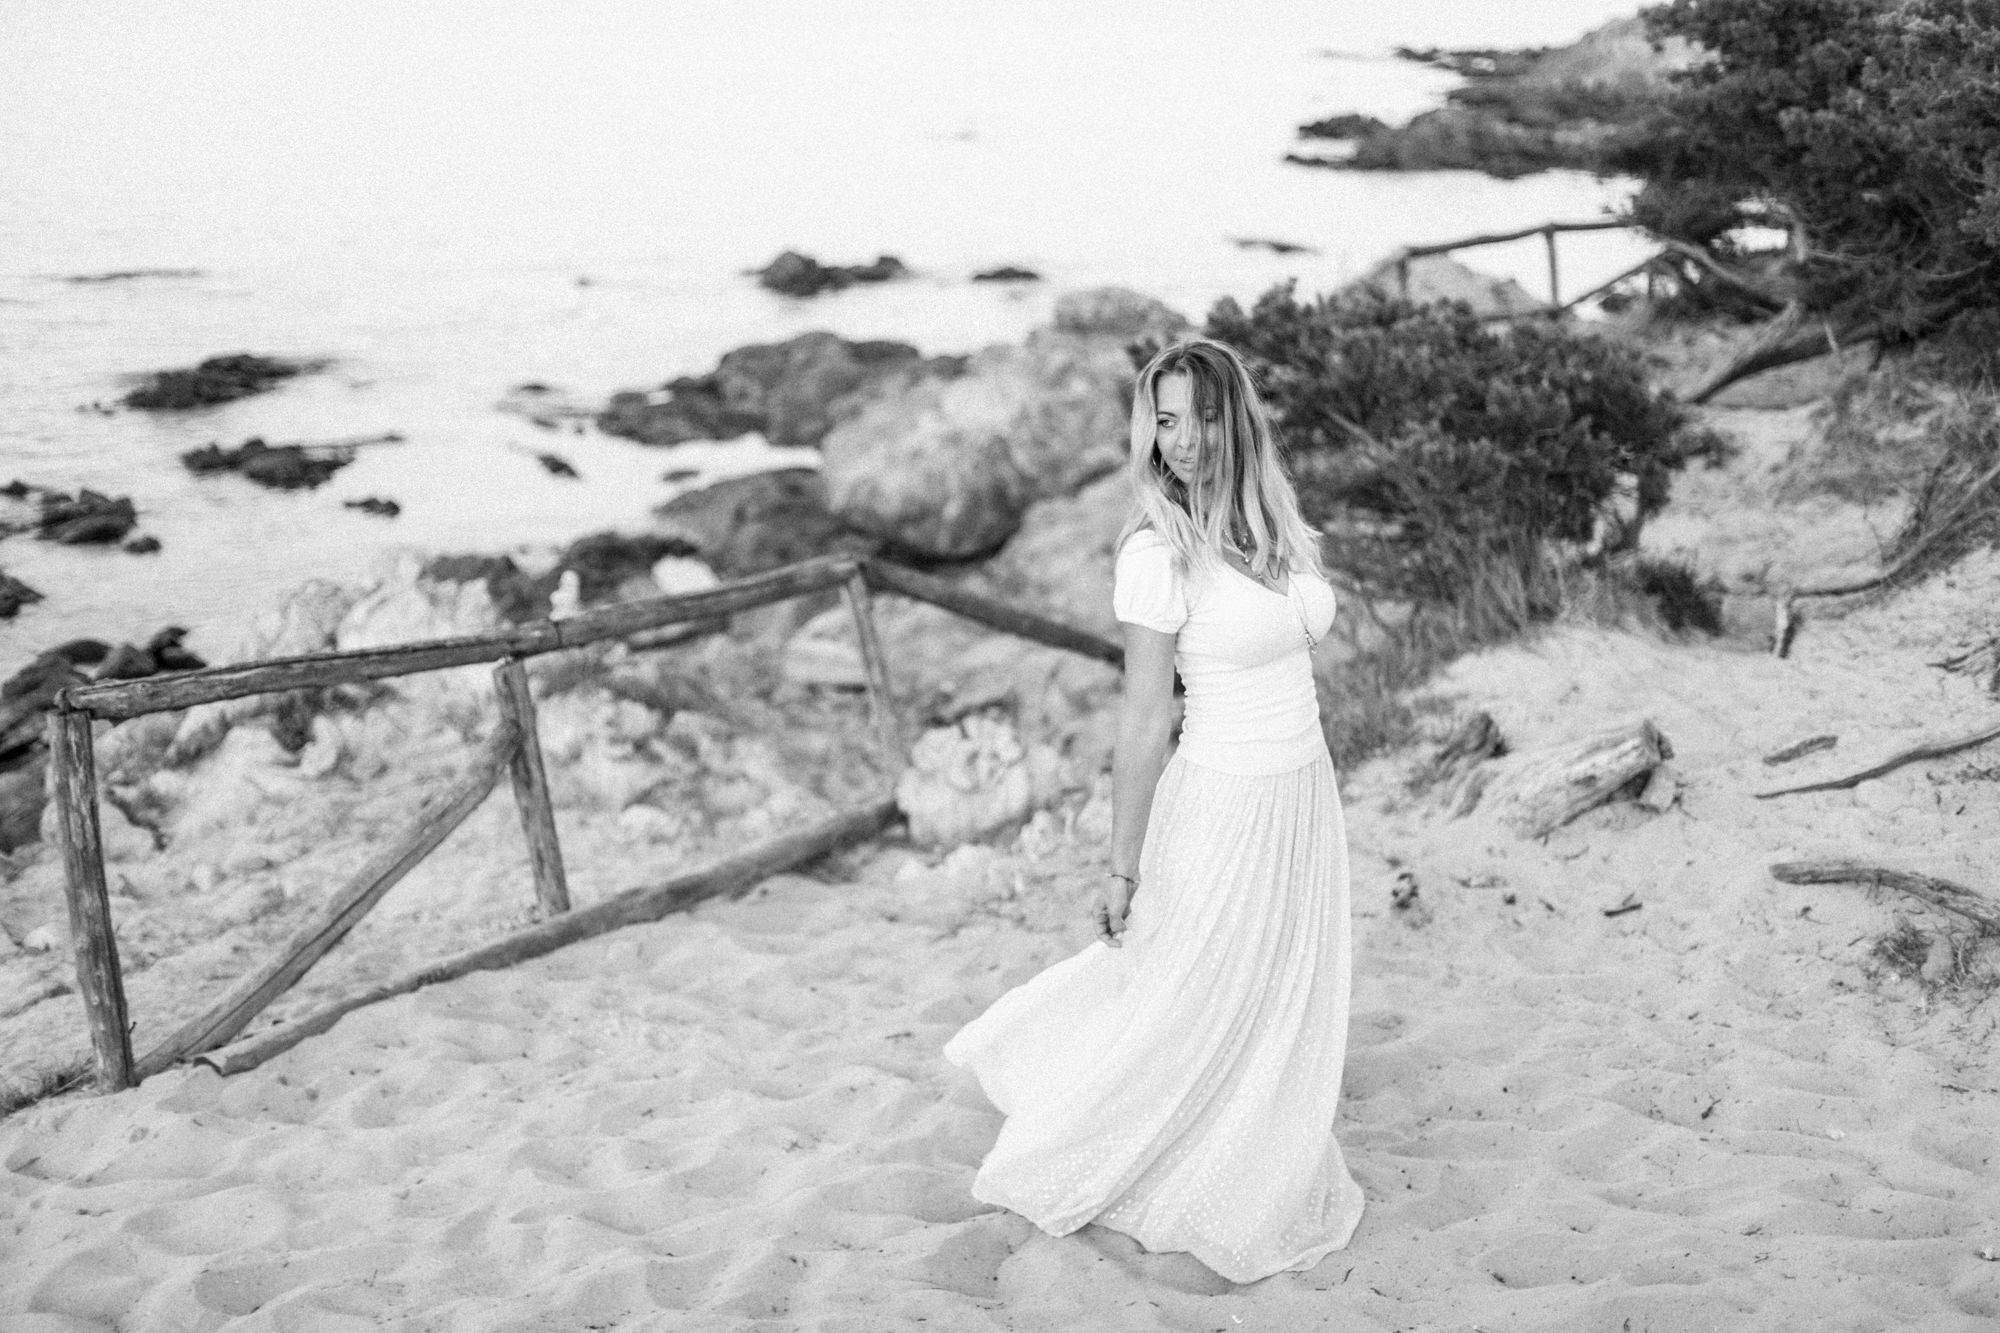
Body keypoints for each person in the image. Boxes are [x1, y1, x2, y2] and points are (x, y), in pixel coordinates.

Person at [942, 337, 1366, 1284]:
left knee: (1267, 983)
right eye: (1163, 420)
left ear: (1235, 418)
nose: (1180, 440)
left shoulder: (1272, 524)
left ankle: (1250, 1119)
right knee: (1193, 993)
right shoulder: (1155, 551)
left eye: (1198, 416)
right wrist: (1121, 865)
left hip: (1301, 789)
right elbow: (1141, 722)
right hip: (1224, 795)